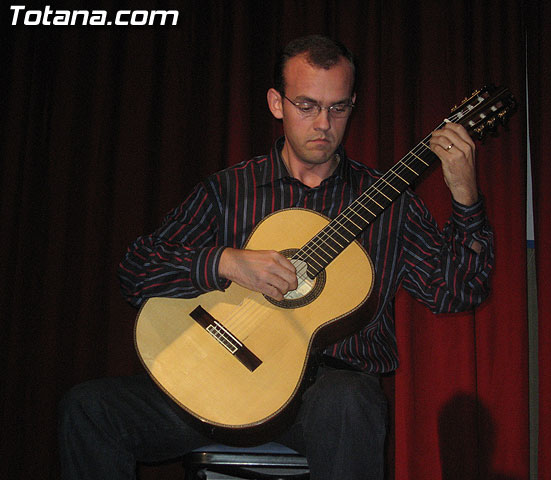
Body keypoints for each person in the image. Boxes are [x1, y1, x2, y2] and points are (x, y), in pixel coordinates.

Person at [58, 34, 494, 480]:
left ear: (352, 105)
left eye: (338, 107)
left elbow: (458, 292)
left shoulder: (391, 201)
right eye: (306, 105)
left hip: (324, 398)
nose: (323, 123)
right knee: (90, 408)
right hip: (214, 376)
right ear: (276, 103)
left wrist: (464, 196)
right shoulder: (229, 191)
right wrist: (226, 262)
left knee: (350, 401)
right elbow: (136, 269)